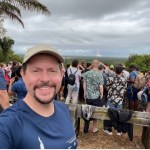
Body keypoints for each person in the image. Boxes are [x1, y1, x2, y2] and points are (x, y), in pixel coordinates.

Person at [0, 44, 77, 149]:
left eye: (52, 70)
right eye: (36, 71)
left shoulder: (63, 109)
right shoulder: (8, 124)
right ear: (23, 74)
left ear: (61, 74)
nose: (45, 79)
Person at [83, 59, 104, 133]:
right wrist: (101, 94)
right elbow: (101, 86)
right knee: (95, 112)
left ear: (92, 65)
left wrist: (84, 93)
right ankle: (94, 128)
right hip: (96, 96)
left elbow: (84, 84)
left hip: (88, 95)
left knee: (87, 111)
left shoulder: (86, 73)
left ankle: (86, 128)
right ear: (98, 65)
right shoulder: (100, 74)